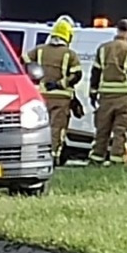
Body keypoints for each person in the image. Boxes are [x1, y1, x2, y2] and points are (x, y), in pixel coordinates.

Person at [88, 18, 127, 166]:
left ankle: (96, 159)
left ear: (117, 30)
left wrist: (93, 92)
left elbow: (95, 73)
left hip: (105, 98)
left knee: (102, 129)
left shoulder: (103, 49)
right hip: (125, 99)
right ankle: (117, 160)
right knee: (121, 130)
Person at [28, 15, 82, 164]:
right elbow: (77, 75)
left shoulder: (39, 50)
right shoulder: (70, 54)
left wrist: (35, 80)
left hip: (40, 96)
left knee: (39, 127)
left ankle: (36, 155)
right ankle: (52, 157)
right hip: (61, 98)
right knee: (57, 129)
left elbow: (24, 62)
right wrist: (60, 84)